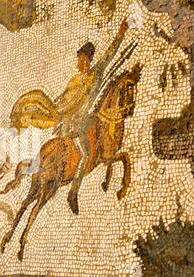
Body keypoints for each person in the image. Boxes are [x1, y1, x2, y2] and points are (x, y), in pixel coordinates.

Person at [54, 18, 129, 213]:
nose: (82, 63)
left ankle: (73, 192)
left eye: (84, 60)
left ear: (89, 60)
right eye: (80, 60)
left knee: (87, 153)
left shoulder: (95, 74)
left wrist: (120, 35)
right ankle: (71, 190)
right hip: (69, 124)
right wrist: (56, 115)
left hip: (81, 123)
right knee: (83, 154)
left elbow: (109, 56)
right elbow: (63, 100)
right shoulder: (74, 80)